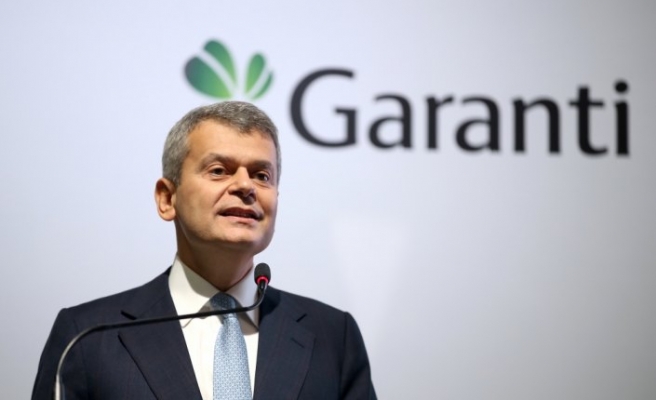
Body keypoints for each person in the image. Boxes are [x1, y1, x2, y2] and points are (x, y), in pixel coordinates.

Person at [32, 101, 376, 400]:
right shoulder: (87, 337)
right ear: (167, 199)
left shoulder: (334, 336)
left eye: (262, 175)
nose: (245, 186)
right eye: (219, 171)